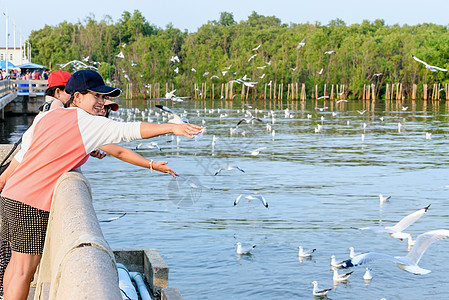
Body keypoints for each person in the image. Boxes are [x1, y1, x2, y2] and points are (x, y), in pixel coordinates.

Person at [0, 69, 202, 299]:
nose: (101, 102)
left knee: (15, 266)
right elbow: (127, 131)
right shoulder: (87, 123)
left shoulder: (48, 116)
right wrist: (171, 127)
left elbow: (23, 155)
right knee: (24, 272)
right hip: (32, 204)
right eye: (96, 96)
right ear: (76, 96)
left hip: (12, 196)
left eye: (103, 97)